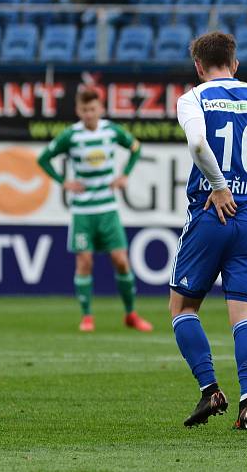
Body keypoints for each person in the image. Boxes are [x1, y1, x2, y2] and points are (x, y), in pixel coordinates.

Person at [168, 32, 247, 429]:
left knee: (183, 307)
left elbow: (198, 144)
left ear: (199, 67)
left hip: (210, 213)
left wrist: (220, 187)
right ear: (234, 64)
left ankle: (210, 390)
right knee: (244, 314)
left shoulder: (193, 98)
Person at [36, 89, 152, 333]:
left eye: (93, 109)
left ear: (100, 109)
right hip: (83, 211)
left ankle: (131, 313)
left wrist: (125, 175)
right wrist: (63, 182)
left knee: (121, 261)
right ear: (79, 111)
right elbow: (44, 158)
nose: (89, 114)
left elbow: (135, 147)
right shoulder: (71, 135)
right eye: (85, 110)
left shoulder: (111, 131)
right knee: (84, 261)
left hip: (108, 208)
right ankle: (87, 316)